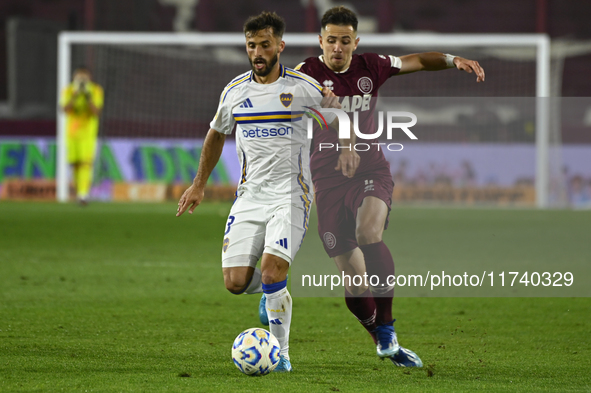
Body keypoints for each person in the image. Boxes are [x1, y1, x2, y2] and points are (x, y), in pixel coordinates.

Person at [285, 6, 485, 367]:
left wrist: (454, 59)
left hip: (369, 168)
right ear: (320, 41)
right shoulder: (304, 76)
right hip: (327, 182)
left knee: (368, 231)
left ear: (355, 42)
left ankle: (388, 326)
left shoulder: (371, 66)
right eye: (331, 40)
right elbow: (284, 113)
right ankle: (383, 339)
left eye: (345, 41)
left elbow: (419, 61)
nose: (338, 48)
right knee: (355, 282)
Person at [176, 11, 354, 373]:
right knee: (235, 282)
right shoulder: (235, 92)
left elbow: (341, 117)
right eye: (251, 45)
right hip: (250, 196)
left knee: (273, 273)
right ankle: (272, 295)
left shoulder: (303, 87)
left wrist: (348, 147)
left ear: (280, 46)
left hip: (292, 195)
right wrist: (199, 184)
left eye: (265, 45)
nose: (257, 52)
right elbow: (215, 134)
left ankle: (282, 353)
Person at [60, 67, 104, 205]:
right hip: (72, 133)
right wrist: (75, 95)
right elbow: (65, 110)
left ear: (89, 78)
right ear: (74, 77)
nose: (82, 80)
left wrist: (87, 97)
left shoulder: (96, 90)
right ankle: (79, 192)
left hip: (88, 134)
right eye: (79, 78)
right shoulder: (68, 90)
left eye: (84, 78)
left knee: (86, 163)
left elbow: (96, 112)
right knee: (75, 164)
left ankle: (83, 194)